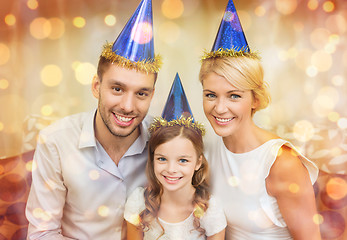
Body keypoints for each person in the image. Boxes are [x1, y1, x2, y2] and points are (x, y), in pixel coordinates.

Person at [25, 0, 162, 239]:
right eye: (117, 89)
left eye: (141, 93)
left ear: (151, 95)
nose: (128, 106)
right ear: (96, 86)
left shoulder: (165, 140)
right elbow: (41, 234)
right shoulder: (56, 141)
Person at [199, 0, 321, 239]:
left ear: (255, 99)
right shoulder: (208, 150)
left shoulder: (281, 163)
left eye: (234, 96)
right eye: (211, 95)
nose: (220, 108)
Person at [124, 74, 226, 240]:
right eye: (162, 159)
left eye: (183, 160)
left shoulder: (209, 209)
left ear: (198, 162)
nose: (171, 170)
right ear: (152, 158)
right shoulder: (139, 203)